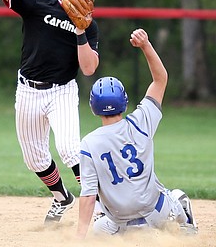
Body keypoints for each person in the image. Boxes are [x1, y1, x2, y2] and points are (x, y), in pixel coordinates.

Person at [0, 0, 99, 224]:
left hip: (62, 91)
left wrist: (80, 30)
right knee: (34, 159)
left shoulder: (88, 25)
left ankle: (99, 205)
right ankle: (62, 198)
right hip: (28, 91)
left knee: (69, 149)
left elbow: (89, 69)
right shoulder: (37, 1)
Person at [76, 28, 198, 238]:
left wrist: (77, 238)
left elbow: (88, 196)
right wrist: (145, 45)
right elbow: (160, 79)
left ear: (93, 107)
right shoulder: (140, 122)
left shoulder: (88, 144)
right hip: (157, 215)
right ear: (124, 103)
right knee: (175, 195)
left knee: (97, 229)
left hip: (119, 224)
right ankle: (183, 215)